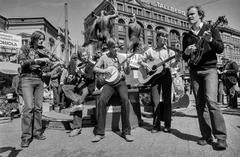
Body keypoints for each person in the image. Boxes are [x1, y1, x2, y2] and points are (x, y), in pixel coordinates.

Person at [182, 5, 227, 150]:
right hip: (194, 71)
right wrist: (187, 52)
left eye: (192, 14)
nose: (189, 16)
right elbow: (184, 56)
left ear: (200, 15)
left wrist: (211, 40)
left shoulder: (210, 28)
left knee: (212, 102)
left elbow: (220, 48)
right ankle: (206, 135)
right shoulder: (187, 35)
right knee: (200, 105)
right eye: (188, 15)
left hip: (210, 69)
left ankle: (220, 138)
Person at [92, 40, 134, 142]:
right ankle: (100, 132)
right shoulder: (104, 57)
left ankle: (126, 132)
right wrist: (105, 70)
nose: (116, 49)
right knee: (102, 100)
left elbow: (127, 72)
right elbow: (95, 68)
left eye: (117, 47)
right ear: (109, 48)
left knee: (125, 100)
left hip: (120, 82)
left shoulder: (122, 57)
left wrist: (127, 66)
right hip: (109, 84)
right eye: (114, 47)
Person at [138, 30, 179, 133]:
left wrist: (177, 60)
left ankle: (167, 125)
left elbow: (174, 65)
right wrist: (145, 65)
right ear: (157, 37)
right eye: (163, 37)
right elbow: (140, 59)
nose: (165, 39)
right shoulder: (151, 50)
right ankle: (156, 126)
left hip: (166, 76)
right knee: (155, 102)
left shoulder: (170, 51)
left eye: (166, 37)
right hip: (154, 78)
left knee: (167, 101)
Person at [18, 31, 50, 148]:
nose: (42, 41)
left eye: (43, 39)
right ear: (34, 38)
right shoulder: (25, 48)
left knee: (38, 108)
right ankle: (26, 137)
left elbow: (45, 67)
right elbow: (22, 62)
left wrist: (47, 65)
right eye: (40, 39)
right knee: (29, 108)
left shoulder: (43, 51)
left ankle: (37, 132)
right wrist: (36, 61)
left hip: (39, 79)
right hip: (27, 79)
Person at [62, 49, 95, 137]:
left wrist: (82, 73)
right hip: (79, 86)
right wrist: (70, 78)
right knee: (65, 87)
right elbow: (76, 79)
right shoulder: (79, 65)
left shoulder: (92, 64)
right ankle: (77, 100)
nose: (84, 57)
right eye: (82, 56)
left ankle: (77, 128)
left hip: (87, 87)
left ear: (88, 54)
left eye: (85, 55)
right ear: (80, 57)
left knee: (79, 99)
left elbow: (91, 78)